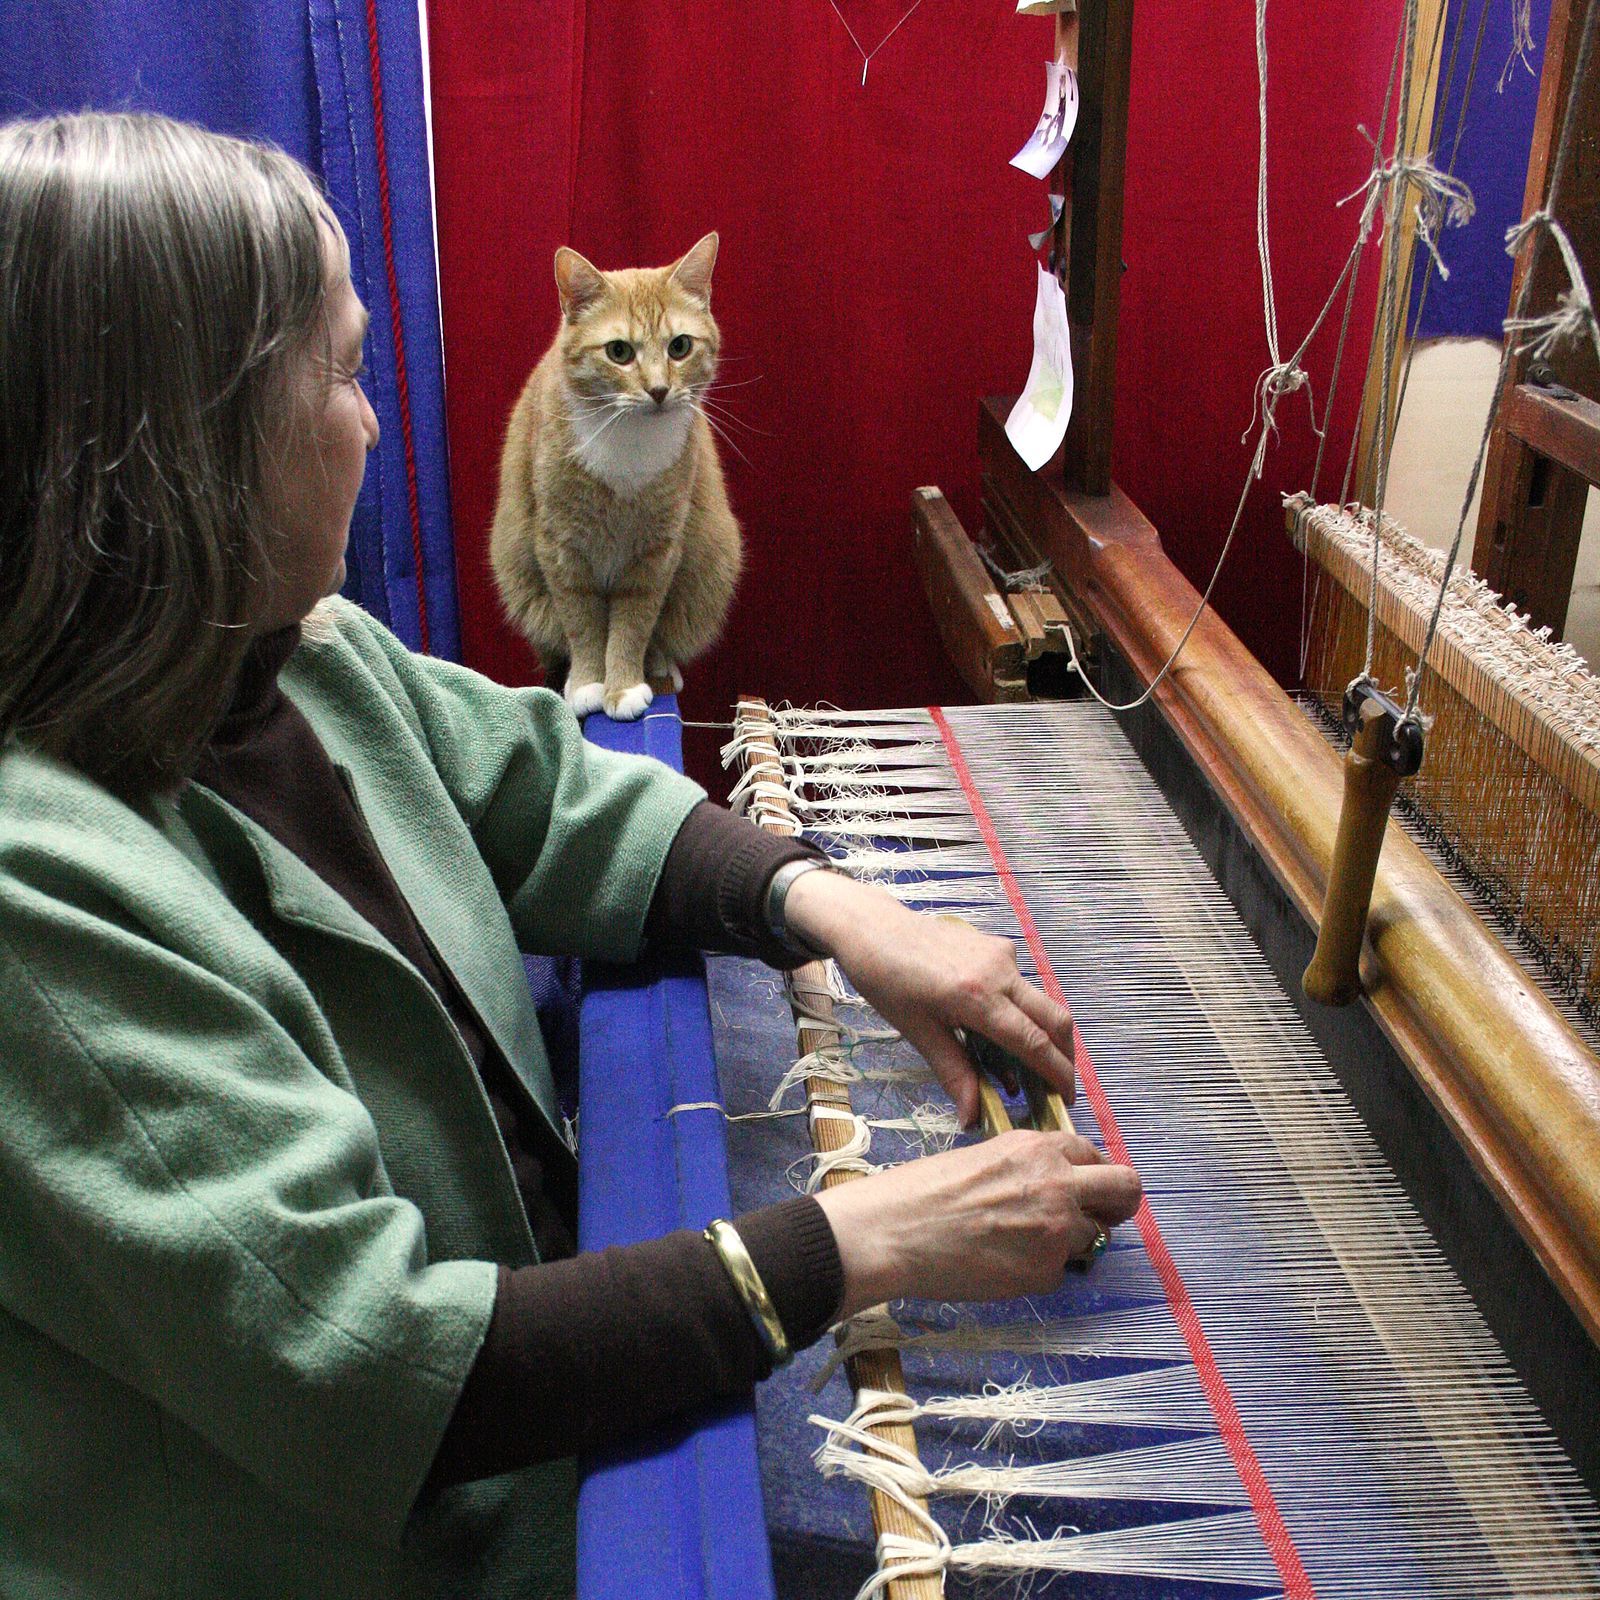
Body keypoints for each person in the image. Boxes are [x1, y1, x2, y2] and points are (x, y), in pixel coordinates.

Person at [0, 111, 1142, 1598]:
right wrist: (867, 1237)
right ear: (186, 448)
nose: (373, 424)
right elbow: (372, 1355)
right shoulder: (40, 897)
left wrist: (831, 905)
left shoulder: (284, 651)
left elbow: (539, 789)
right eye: (343, 375)